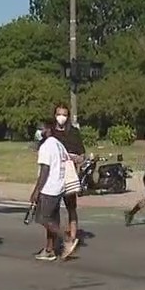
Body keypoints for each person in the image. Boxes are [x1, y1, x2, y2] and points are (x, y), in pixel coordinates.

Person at [31, 119, 80, 262]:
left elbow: (45, 170)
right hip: (59, 187)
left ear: (47, 129)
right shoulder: (59, 145)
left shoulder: (46, 147)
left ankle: (67, 239)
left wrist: (36, 191)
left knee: (42, 218)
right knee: (52, 220)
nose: (38, 132)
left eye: (40, 128)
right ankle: (49, 250)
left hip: (49, 188)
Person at [51, 104, 86, 246]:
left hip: (69, 174)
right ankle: (54, 239)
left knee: (71, 207)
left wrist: (75, 158)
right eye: (59, 114)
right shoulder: (51, 132)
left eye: (64, 114)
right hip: (53, 175)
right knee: (53, 209)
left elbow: (82, 155)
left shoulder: (74, 132)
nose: (61, 117)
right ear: (54, 115)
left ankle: (72, 236)